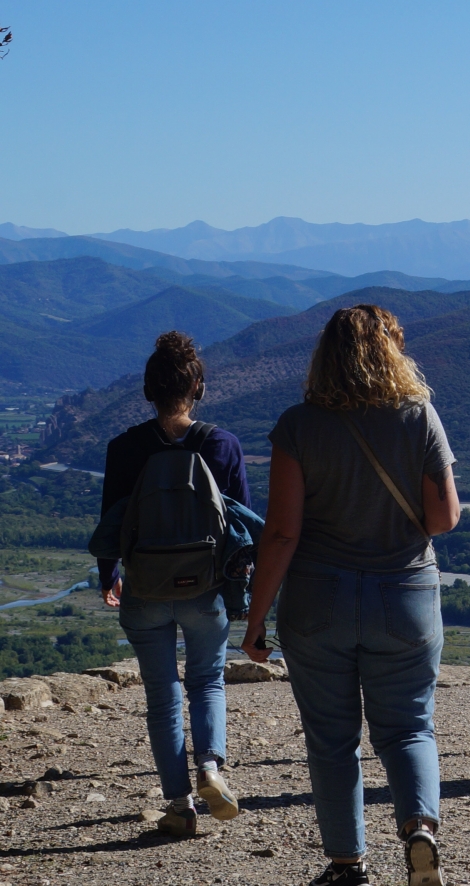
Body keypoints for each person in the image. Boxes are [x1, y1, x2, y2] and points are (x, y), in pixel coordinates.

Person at [242, 305, 463, 886]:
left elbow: (283, 532)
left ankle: (347, 863)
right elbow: (443, 518)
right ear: (391, 352)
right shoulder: (420, 415)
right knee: (410, 727)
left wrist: (255, 617)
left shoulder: (298, 426)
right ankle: (419, 828)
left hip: (318, 602)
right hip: (406, 596)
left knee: (332, 739)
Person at [96, 331, 247, 838]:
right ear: (198, 387)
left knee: (162, 696)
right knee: (207, 681)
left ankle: (179, 804)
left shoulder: (124, 449)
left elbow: (110, 526)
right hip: (203, 592)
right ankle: (209, 767)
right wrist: (240, 591)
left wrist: (108, 577)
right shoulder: (222, 445)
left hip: (144, 591)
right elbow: (243, 529)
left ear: (147, 391)